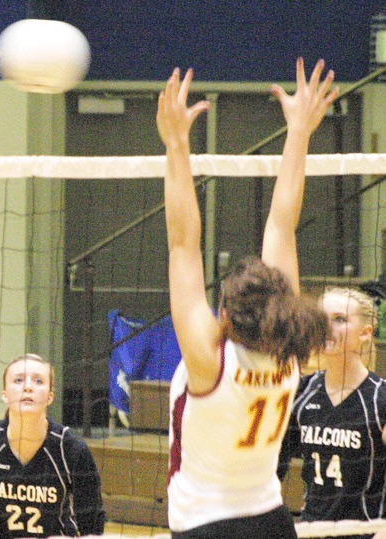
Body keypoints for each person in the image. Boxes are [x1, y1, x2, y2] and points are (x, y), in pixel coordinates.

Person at [157, 57, 339, 538]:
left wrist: (176, 144)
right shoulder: (291, 351)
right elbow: (282, 223)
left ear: (226, 315)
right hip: (272, 520)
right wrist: (299, 132)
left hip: (206, 525)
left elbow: (182, 242)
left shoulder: (209, 360)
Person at [0, 354, 105, 538]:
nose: (28, 387)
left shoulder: (71, 449)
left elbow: (92, 524)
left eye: (38, 381)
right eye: (18, 380)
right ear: (5, 395)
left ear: (50, 397)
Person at [278, 286, 386, 539]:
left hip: (366, 532)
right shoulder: (301, 393)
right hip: (311, 531)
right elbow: (273, 468)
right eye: (321, 318)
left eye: (339, 319)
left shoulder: (379, 399)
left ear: (365, 333)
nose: (327, 327)